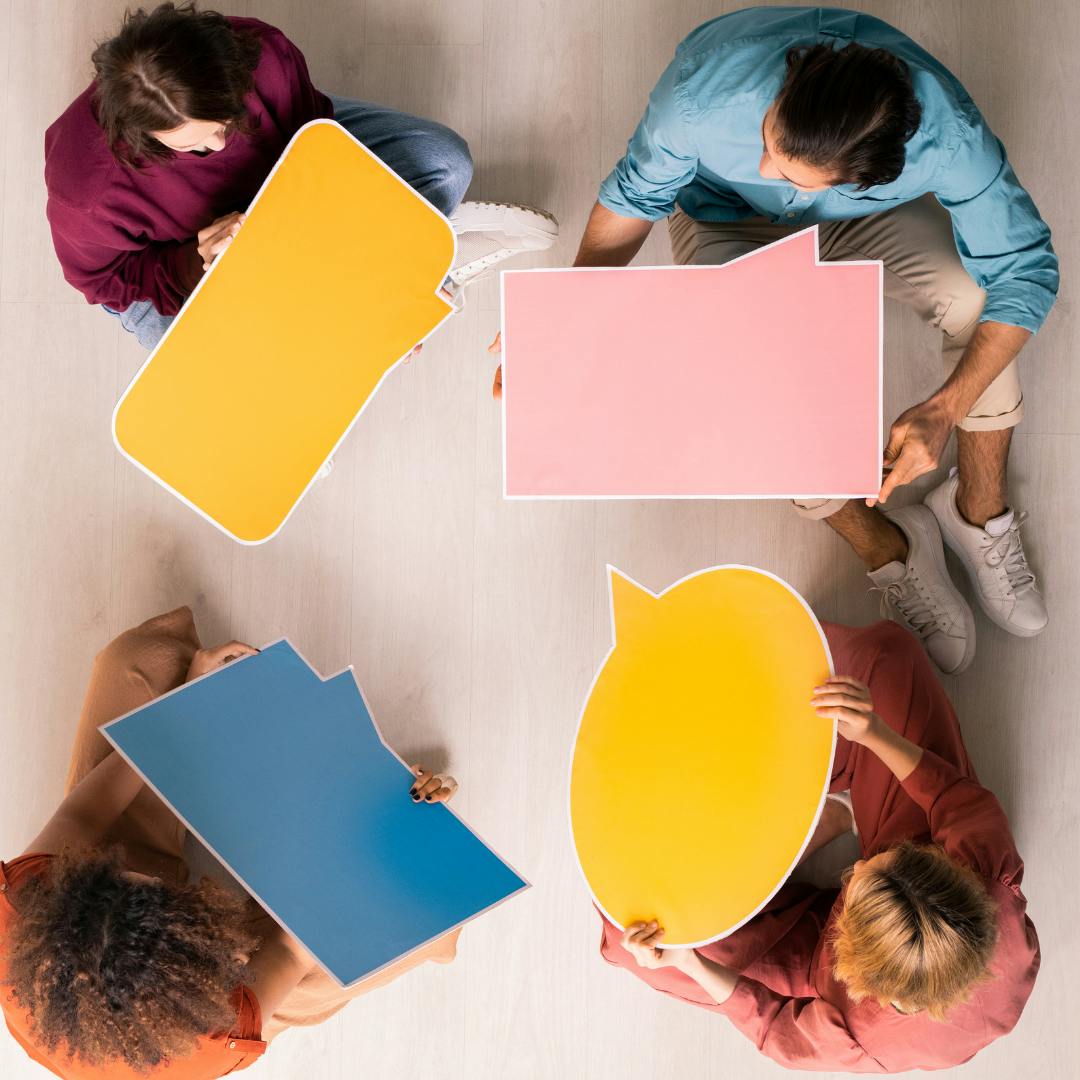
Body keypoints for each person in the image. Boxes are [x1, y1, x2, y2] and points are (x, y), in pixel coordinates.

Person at [493, 6, 1058, 674]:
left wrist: (946, 408)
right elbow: (637, 196)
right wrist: (568, 317)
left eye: (786, 169)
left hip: (864, 223)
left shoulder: (949, 138)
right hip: (727, 223)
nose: (763, 167)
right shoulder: (700, 97)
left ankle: (977, 509)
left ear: (873, 172)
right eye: (768, 139)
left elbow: (1026, 272)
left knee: (977, 298)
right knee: (752, 395)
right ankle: (886, 543)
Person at [0, 608, 461, 1078]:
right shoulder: (217, 1030)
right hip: (217, 1008)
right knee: (410, 912)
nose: (164, 880)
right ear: (203, 962)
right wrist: (377, 829)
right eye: (172, 898)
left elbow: (84, 813)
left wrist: (180, 711)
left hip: (102, 954)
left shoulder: (24, 895)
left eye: (118, 875)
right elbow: (293, 949)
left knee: (141, 659)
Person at [601, 619, 1038, 1072]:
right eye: (886, 860)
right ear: (944, 868)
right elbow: (948, 795)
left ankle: (803, 845)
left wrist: (688, 960)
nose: (856, 868)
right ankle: (836, 818)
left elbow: (774, 1027)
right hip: (913, 900)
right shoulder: (989, 872)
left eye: (855, 877)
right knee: (888, 657)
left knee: (633, 929)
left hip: (816, 965)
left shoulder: (859, 1034)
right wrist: (874, 733)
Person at [44, 3, 557, 351]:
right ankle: (397, 280)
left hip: (290, 189)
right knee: (217, 372)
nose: (220, 147)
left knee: (445, 161)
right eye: (196, 145)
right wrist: (191, 263)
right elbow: (102, 281)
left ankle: (399, 279)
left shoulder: (261, 50)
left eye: (228, 125)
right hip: (180, 264)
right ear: (145, 137)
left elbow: (317, 136)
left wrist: (330, 260)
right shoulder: (86, 189)